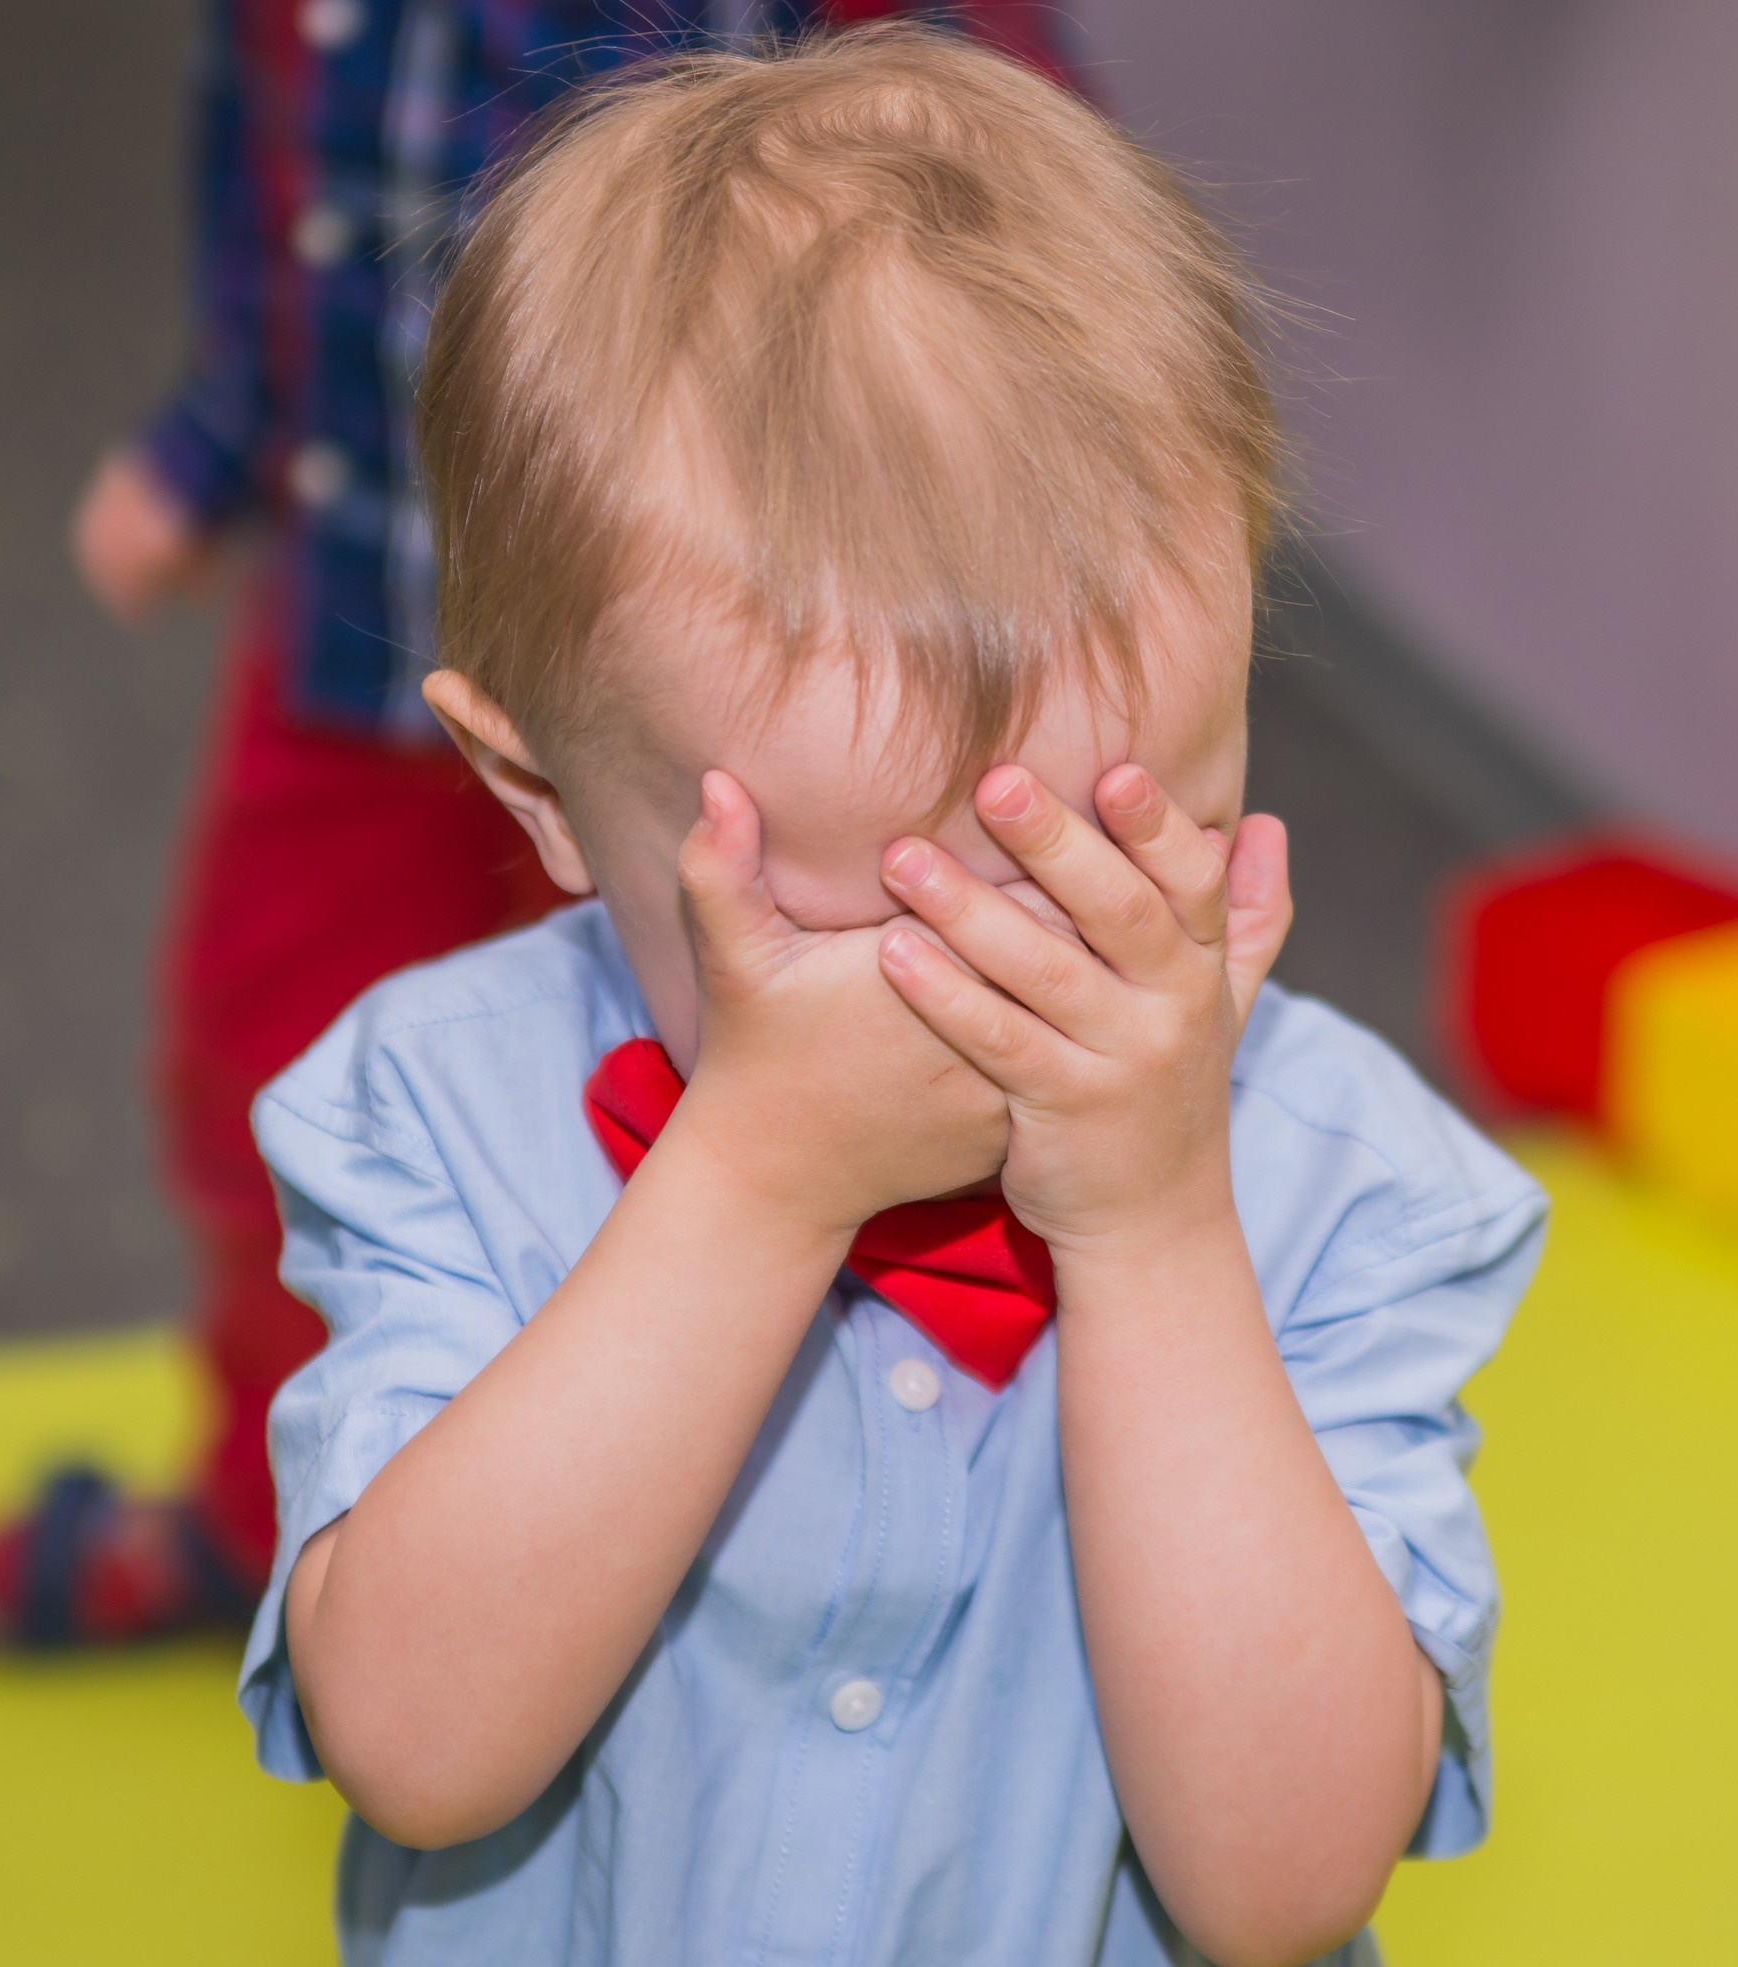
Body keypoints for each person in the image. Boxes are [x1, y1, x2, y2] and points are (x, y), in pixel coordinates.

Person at [244, 26, 1545, 1964]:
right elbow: (420, 1749)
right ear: (544, 801)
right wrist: (752, 1184)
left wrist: (1157, 1228)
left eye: (1126, 849)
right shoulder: (440, 1112)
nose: (1013, 981)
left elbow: (1277, 1893)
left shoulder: (1333, 1179)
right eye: (873, 909)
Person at [0, 0, 1077, 1648]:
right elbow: (284, 193)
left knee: (780, 1094)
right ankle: (295, 1513)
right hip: (370, 634)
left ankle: (806, 1552)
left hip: (712, 677)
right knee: (265, 1078)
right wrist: (218, 445)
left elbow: (1025, 189)